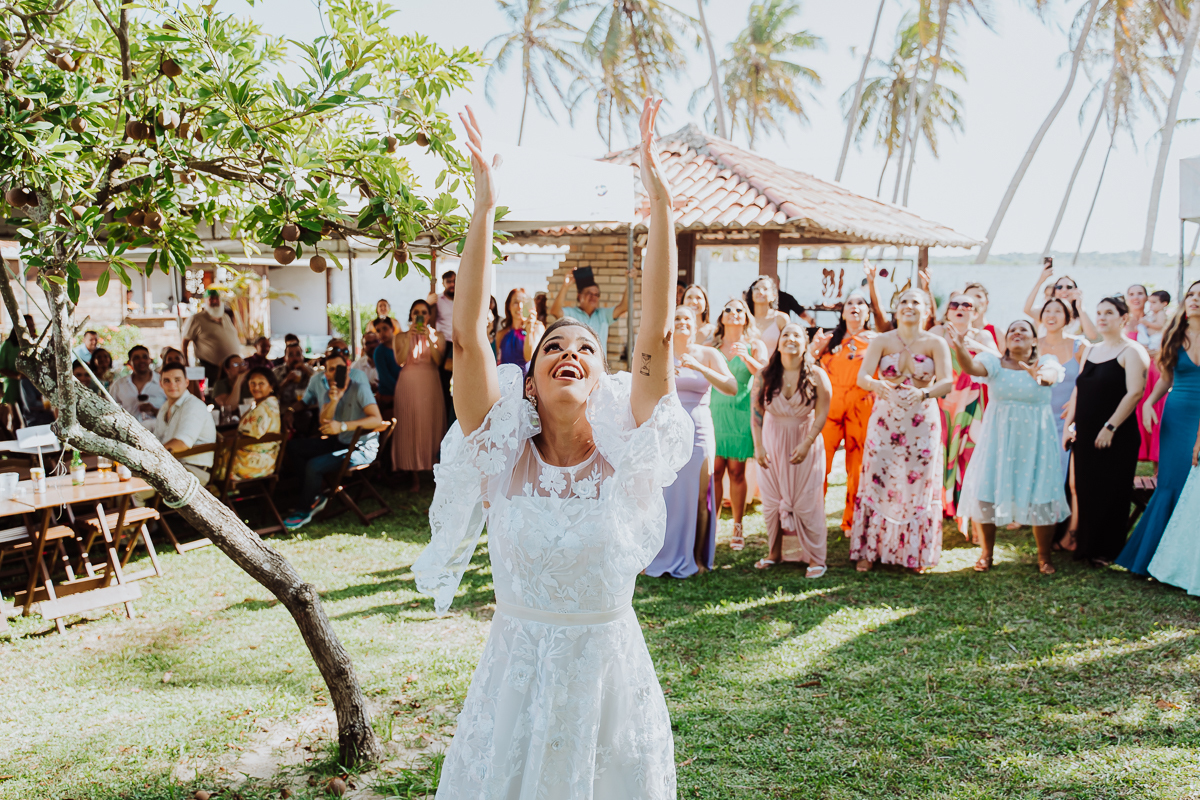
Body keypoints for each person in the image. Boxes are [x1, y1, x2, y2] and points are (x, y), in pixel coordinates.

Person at [412, 100, 689, 799]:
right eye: (552, 348)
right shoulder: (497, 452)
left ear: (601, 379)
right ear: (529, 384)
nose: (569, 352)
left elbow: (655, 334)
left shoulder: (632, 452)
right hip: (518, 677)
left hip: (607, 679)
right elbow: (471, 335)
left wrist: (660, 202)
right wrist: (483, 209)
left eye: (585, 349)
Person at [948, 321, 1071, 574]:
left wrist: (1036, 374)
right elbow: (971, 367)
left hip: (1035, 440)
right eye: (1012, 329)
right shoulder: (994, 363)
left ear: (1034, 340)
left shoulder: (1046, 361)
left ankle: (1044, 557)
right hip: (997, 438)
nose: (1016, 332)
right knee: (986, 492)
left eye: (1023, 330)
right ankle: (986, 553)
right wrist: (960, 347)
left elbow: (1048, 378)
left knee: (1042, 496)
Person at [850, 288, 954, 573]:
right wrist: (877, 385)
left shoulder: (936, 342)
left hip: (922, 419)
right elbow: (862, 377)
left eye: (915, 302)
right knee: (878, 477)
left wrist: (925, 394)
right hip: (885, 419)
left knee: (917, 481)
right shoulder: (882, 340)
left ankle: (915, 552)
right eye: (904, 302)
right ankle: (869, 550)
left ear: (926, 310)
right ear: (896, 309)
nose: (909, 306)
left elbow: (947, 381)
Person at [645, 305, 736, 579]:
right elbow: (644, 389)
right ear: (670, 324)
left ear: (696, 325)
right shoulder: (660, 355)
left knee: (699, 496)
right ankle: (659, 554)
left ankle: (696, 558)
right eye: (677, 318)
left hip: (699, 428)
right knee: (664, 494)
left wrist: (698, 367)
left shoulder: (709, 354)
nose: (683, 322)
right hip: (668, 429)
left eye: (687, 318)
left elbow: (731, 387)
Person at [1117, 281, 1200, 574]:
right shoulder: (1174, 335)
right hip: (1176, 415)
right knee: (1170, 483)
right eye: (1191, 294)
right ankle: (1155, 560)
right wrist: (1151, 402)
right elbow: (1166, 376)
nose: (1195, 300)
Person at [1062, 297, 1148, 565]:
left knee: (1111, 491)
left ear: (1123, 319)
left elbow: (1135, 393)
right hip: (1085, 433)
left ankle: (1107, 551)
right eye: (1099, 312)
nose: (1102, 317)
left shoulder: (1132, 351)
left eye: (1109, 313)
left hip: (1116, 434)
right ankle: (1084, 546)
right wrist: (1068, 426)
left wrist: (1110, 427)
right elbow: (1079, 389)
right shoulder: (1090, 349)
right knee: (1086, 489)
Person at [751, 323, 832, 577]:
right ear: (779, 342)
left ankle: (816, 558)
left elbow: (822, 414)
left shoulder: (817, 375)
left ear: (805, 343)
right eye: (786, 334)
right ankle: (774, 554)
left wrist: (807, 442)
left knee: (808, 501)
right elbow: (755, 414)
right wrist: (759, 446)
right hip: (772, 441)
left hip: (804, 440)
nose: (791, 339)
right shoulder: (764, 375)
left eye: (797, 335)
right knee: (772, 502)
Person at [284, 347, 383, 530]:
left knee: (314, 465)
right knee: (294, 447)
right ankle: (314, 494)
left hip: (361, 448)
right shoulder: (328, 391)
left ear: (346, 368)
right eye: (329, 369)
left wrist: (343, 426)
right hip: (340, 442)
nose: (333, 373)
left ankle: (304, 510)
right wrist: (335, 399)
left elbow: (376, 419)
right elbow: (324, 423)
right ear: (325, 372)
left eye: (338, 368)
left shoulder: (359, 387)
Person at [930, 293, 999, 523]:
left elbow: (1000, 359)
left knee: (969, 455)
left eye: (966, 304)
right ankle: (939, 506)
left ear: (975, 312)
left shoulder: (983, 334)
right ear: (948, 311)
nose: (960, 308)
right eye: (954, 304)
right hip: (943, 402)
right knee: (940, 453)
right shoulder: (938, 333)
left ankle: (967, 514)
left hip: (971, 403)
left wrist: (974, 345)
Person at [812, 292, 876, 533]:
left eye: (861, 303)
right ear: (842, 311)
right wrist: (814, 349)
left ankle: (852, 521)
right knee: (820, 463)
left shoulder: (876, 341)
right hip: (829, 408)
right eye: (850, 303)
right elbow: (809, 366)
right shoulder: (830, 339)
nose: (855, 307)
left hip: (861, 408)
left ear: (868, 313)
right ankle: (814, 516)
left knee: (856, 466)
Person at [710, 296, 767, 551]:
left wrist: (746, 357)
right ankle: (711, 524)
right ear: (722, 317)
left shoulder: (755, 345)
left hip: (740, 414)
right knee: (714, 472)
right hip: (713, 413)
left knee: (736, 471)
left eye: (739, 309)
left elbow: (765, 374)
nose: (733, 312)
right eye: (728, 309)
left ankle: (737, 526)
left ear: (746, 317)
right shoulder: (711, 345)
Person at [392, 299, 445, 491]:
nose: (419, 315)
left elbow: (438, 361)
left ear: (429, 316)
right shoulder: (400, 337)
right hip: (408, 384)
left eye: (423, 312)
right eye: (416, 312)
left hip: (430, 382)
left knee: (430, 424)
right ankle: (412, 474)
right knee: (410, 423)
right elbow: (399, 360)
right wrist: (408, 338)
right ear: (411, 315)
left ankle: (433, 472)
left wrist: (429, 340)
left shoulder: (438, 335)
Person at [1038, 298, 1085, 480]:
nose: (1052, 315)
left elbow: (1088, 381)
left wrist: (1075, 404)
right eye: (1047, 311)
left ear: (1067, 317)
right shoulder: (1033, 345)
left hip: (1067, 419)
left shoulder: (1080, 346)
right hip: (1038, 416)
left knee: (1063, 470)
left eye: (1058, 311)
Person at [153, 363, 218, 484]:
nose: (172, 385)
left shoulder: (194, 405)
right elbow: (157, 438)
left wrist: (152, 456)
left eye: (177, 380)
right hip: (171, 467)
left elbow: (182, 443)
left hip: (194, 471)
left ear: (186, 382)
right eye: (167, 380)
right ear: (161, 384)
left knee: (134, 491)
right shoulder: (165, 407)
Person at [549, 267, 632, 354]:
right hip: (577, 363)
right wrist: (565, 286)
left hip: (598, 365)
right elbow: (555, 311)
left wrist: (629, 282)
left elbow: (624, 307)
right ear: (579, 296)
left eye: (596, 294)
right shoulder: (571, 314)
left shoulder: (603, 314)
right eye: (589, 293)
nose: (593, 297)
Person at [225, 366, 282, 481]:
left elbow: (245, 436)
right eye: (252, 383)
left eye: (261, 383)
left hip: (251, 465)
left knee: (214, 460)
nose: (256, 387)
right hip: (267, 462)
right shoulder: (269, 403)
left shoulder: (263, 409)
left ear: (271, 386)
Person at [1135, 289, 1170, 465]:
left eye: (1154, 302)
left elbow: (1158, 327)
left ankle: (1156, 454)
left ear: (1164, 304)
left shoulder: (1162, 316)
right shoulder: (1153, 315)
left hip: (1156, 364)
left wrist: (1143, 322)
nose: (1151, 305)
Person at [1022, 262, 1098, 340]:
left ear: (1076, 290)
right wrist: (1041, 280)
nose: (1064, 290)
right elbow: (1027, 310)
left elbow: (1093, 336)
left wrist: (1080, 308)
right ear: (1054, 292)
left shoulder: (1080, 316)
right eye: (1059, 287)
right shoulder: (1046, 312)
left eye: (1069, 287)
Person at [183, 289, 242, 382]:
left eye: (216, 298)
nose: (215, 301)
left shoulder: (226, 317)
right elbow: (184, 342)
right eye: (211, 299)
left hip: (230, 368)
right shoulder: (196, 319)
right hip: (210, 368)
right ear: (205, 301)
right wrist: (186, 364)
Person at [110, 345, 166, 425]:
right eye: (136, 358)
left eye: (144, 357)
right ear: (129, 363)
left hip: (159, 433)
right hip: (129, 432)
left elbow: (174, 413)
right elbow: (110, 410)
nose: (141, 360)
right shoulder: (119, 385)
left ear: (150, 360)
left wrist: (154, 410)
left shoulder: (163, 382)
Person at [495, 287, 543, 374]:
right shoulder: (501, 334)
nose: (520, 307)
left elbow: (529, 357)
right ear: (509, 306)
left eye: (523, 302)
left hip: (527, 383)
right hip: (505, 383)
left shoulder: (537, 328)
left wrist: (529, 330)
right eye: (515, 302)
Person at [746, 275, 789, 358]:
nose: (760, 292)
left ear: (774, 295)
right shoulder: (745, 318)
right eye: (756, 289)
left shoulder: (781, 319)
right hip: (747, 368)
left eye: (765, 289)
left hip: (774, 369)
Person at [371, 317, 402, 398]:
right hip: (388, 396)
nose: (382, 333)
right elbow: (385, 378)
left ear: (392, 328)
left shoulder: (403, 346)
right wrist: (402, 391)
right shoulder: (379, 352)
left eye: (385, 328)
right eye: (378, 331)